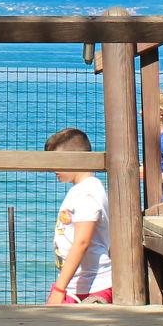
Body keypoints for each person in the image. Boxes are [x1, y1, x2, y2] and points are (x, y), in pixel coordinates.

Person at [44, 128, 114, 305]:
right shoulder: (81, 190)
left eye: (57, 162)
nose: (53, 169)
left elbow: (82, 241)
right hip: (78, 285)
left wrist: (59, 288)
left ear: (75, 159)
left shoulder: (87, 192)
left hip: (91, 287)